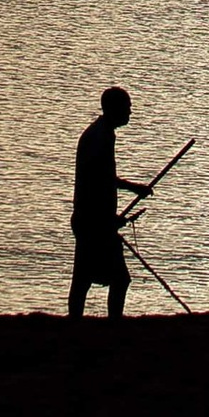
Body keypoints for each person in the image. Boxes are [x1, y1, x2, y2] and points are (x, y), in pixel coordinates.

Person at [68, 85, 156, 317]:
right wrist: (108, 217)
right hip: (92, 220)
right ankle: (110, 324)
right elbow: (98, 180)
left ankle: (76, 322)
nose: (130, 112)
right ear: (113, 108)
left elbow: (103, 178)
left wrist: (133, 191)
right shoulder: (99, 137)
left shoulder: (102, 133)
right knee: (115, 278)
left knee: (84, 277)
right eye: (127, 107)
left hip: (92, 218)